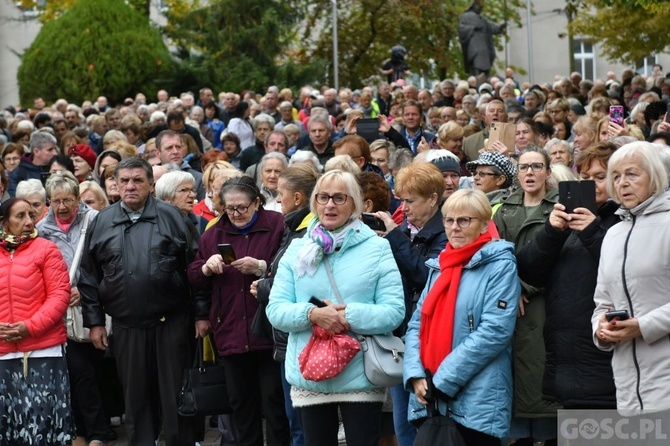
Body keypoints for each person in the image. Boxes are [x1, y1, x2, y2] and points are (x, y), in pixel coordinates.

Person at [265, 169, 404, 446]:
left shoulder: (377, 248)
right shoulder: (296, 250)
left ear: (354, 203)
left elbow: (393, 311)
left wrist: (346, 316)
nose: (330, 204)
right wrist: (313, 314)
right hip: (310, 376)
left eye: (339, 198)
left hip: (361, 375)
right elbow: (276, 310)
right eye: (323, 197)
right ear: (314, 202)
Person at [79, 157, 202, 445]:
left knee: (176, 400)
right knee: (136, 401)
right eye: (124, 181)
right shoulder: (102, 221)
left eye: (137, 180)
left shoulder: (173, 217)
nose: (130, 186)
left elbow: (195, 270)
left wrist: (201, 314)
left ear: (150, 184)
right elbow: (88, 276)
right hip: (126, 326)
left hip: (171, 323)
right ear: (116, 185)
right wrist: (94, 322)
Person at [404, 189, 519, 444]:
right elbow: (416, 326)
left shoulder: (500, 265)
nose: (454, 228)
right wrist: (415, 374)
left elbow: (495, 331)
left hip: (478, 399)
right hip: (431, 396)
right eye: (449, 220)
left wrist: (442, 380)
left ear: (483, 225)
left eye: (464, 220)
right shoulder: (439, 266)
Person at [516, 142, 619, 411]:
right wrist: (551, 232)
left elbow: (626, 270)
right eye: (585, 178)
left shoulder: (625, 221)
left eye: (600, 177)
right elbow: (529, 270)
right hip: (568, 364)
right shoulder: (569, 222)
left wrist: (592, 233)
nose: (591, 184)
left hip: (607, 363)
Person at [187, 176, 289, 446]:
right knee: (241, 406)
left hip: (266, 329)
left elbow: (291, 267)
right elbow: (194, 275)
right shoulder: (213, 233)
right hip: (231, 329)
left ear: (256, 202)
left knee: (274, 404)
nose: (235, 214)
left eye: (241, 207)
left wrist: (262, 266)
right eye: (229, 208)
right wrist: (206, 267)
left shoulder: (276, 225)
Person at [36, 172, 115, 445]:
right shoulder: (42, 230)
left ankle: (97, 429)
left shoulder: (95, 221)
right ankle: (90, 432)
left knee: (95, 373)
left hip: (96, 307)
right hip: (63, 315)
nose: (61, 207)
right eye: (55, 201)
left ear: (78, 199)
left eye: (67, 200)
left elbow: (109, 263)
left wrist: (87, 290)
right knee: (79, 374)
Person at [372, 162, 447, 446]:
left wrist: (395, 238)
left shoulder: (445, 231)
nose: (404, 207)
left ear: (433, 199)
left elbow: (425, 277)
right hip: (399, 334)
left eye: (411, 201)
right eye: (402, 199)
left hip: (428, 336)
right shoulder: (403, 229)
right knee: (402, 422)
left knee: (425, 421)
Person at [592, 142, 670, 415]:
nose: (622, 183)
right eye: (616, 176)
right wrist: (601, 329)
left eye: (632, 174)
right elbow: (602, 302)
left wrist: (644, 326)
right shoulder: (613, 234)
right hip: (627, 391)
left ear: (655, 176)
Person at [492, 146, 560, 443]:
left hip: (546, 303)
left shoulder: (559, 207)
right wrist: (512, 287)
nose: (530, 173)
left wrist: (525, 286)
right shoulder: (503, 208)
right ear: (516, 173)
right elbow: (494, 256)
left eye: (536, 167)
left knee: (543, 393)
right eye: (524, 167)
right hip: (510, 304)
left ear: (548, 171)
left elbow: (561, 257)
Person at [253, 163, 320, 446]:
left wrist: (264, 286)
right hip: (286, 339)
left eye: (281, 193)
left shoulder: (307, 232)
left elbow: (296, 285)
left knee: (302, 425)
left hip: (300, 339)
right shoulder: (291, 226)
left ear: (298, 198)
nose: (277, 199)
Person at [0, 198, 73, 444]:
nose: (29, 222)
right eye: (20, 216)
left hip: (43, 351)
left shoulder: (45, 249)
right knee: (8, 425)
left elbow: (59, 295)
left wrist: (28, 327)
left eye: (31, 215)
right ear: (4, 223)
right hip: (3, 353)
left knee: (42, 423)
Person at [458, 0, 506, 77]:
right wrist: (472, 28)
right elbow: (461, 28)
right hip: (474, 46)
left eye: (481, 7)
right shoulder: (465, 16)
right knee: (476, 62)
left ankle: (485, 77)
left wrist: (500, 27)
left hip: (484, 46)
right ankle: (477, 77)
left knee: (485, 65)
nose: (479, 8)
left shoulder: (482, 19)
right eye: (478, 6)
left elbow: (491, 27)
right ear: (473, 6)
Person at [8, 132, 59, 197]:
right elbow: (14, 200)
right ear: (36, 151)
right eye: (50, 150)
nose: (55, 153)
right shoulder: (18, 173)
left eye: (55, 148)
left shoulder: (59, 168)